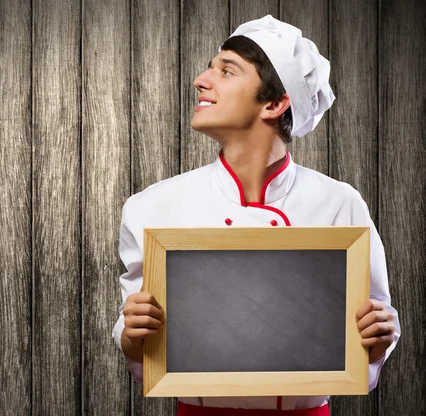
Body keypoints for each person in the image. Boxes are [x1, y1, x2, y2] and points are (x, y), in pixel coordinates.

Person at [112, 14, 401, 416]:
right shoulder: (152, 207)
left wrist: (379, 336)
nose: (200, 79)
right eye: (210, 67)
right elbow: (143, 358)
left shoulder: (339, 203)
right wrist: (132, 337)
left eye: (226, 70)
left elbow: (374, 332)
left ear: (274, 102)